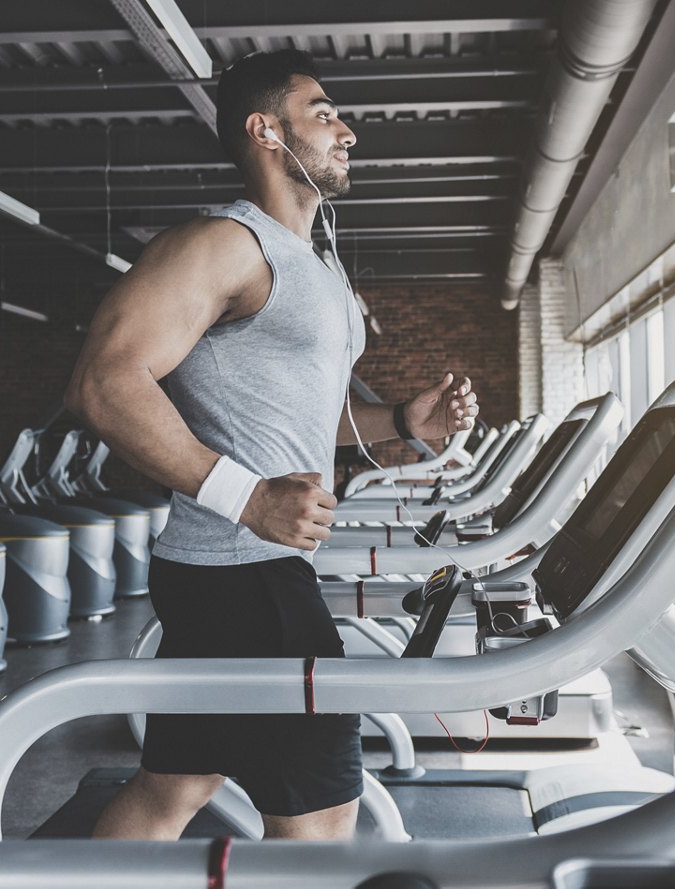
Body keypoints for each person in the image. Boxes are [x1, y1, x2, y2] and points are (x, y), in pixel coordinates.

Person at [64, 49, 479, 842]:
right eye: (323, 113)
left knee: (172, 787)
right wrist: (247, 499)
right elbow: (103, 383)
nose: (347, 131)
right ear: (267, 132)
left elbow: (288, 427)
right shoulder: (224, 244)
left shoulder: (314, 267)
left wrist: (401, 424)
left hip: (234, 574)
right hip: (242, 579)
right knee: (321, 825)